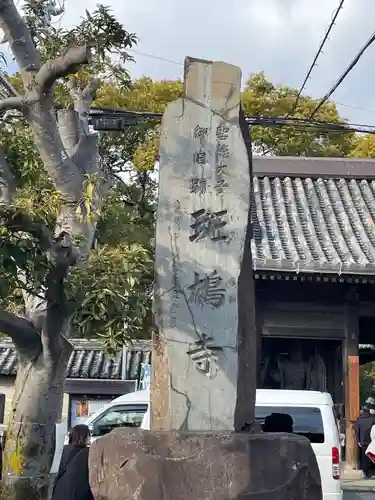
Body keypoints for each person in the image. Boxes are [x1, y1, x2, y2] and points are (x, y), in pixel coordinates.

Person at [51, 424, 94, 500]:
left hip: (59, 493)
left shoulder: (62, 450)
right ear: (85, 436)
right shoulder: (89, 453)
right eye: (89, 434)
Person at [355, 405, 374, 479]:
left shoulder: (359, 420)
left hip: (362, 441)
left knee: (363, 457)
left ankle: (365, 472)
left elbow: (357, 431)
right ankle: (370, 471)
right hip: (371, 440)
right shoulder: (372, 419)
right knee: (371, 456)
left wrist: (358, 440)